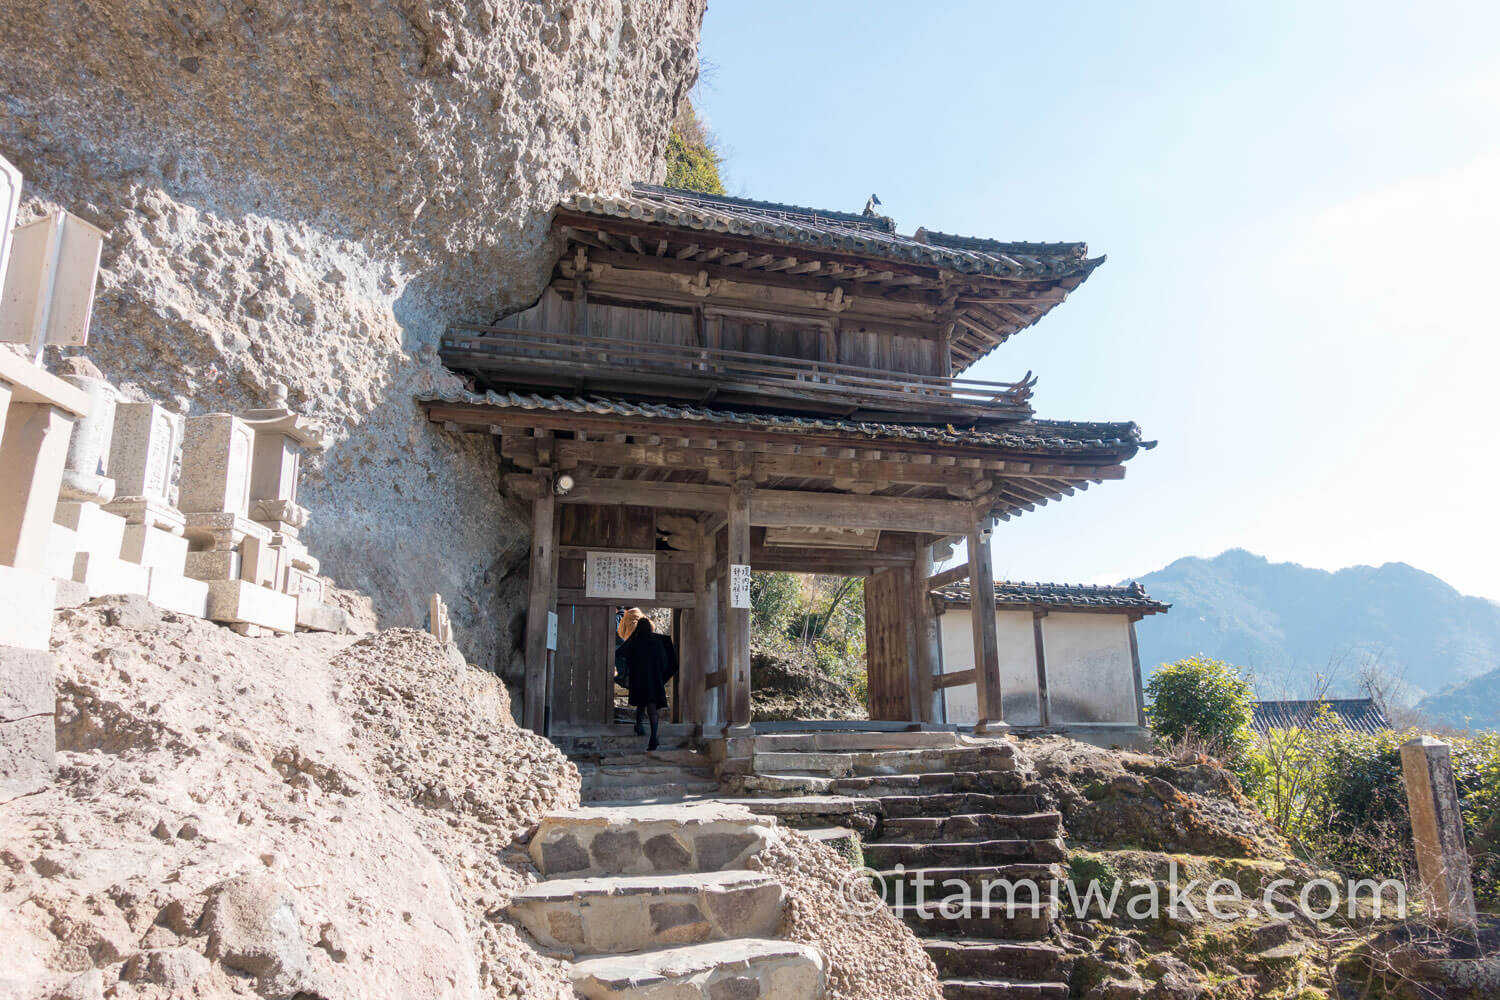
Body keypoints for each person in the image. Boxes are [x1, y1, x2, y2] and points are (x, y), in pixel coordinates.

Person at [615, 609, 677, 751]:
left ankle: (639, 726)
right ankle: (653, 736)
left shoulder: (634, 643)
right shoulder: (658, 643)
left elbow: (624, 657)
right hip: (654, 680)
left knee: (640, 704)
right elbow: (665, 661)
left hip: (639, 680)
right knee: (652, 709)